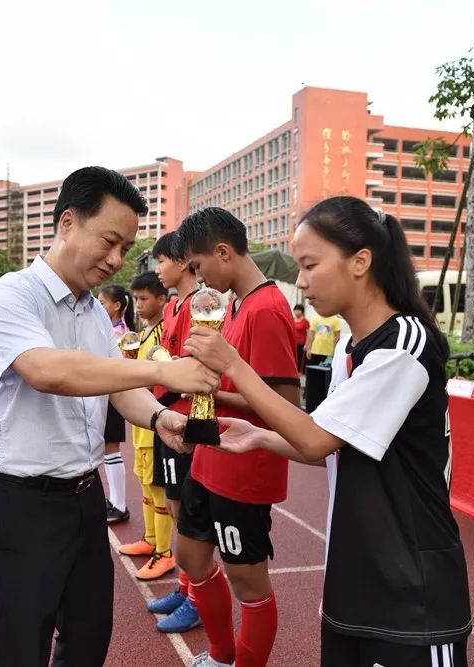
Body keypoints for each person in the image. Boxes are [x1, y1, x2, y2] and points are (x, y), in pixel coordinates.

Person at [185, 197, 472, 667]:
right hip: (354, 571)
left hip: (412, 585)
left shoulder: (404, 344)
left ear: (361, 261)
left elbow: (317, 438)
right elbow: (332, 440)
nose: (301, 281)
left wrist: (234, 365)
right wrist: (259, 437)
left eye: (310, 265)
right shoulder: (348, 345)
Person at [0, 166, 219, 667]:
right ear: (67, 223)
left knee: (88, 637)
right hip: (20, 503)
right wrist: (165, 373)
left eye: (126, 249)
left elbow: (120, 387)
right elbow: (47, 371)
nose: (116, 260)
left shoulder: (92, 311)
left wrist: (160, 419)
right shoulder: (12, 295)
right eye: (109, 241)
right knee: (22, 644)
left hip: (83, 499)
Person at [174, 207, 301, 667]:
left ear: (223, 252)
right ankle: (222, 655)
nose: (199, 276)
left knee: (248, 581)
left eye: (199, 264)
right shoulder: (238, 304)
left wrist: (219, 385)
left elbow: (284, 402)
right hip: (213, 456)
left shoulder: (267, 309)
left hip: (243, 466)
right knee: (188, 553)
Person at [147, 230, 204, 633]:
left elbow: (193, 366)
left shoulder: (200, 305)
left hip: (185, 417)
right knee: (173, 503)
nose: (158, 270)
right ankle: (185, 587)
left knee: (189, 514)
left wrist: (163, 362)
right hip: (164, 413)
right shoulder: (171, 307)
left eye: (162, 261)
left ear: (183, 261)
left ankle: (198, 597)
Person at [117, 270, 175, 581]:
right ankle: (150, 538)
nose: (137, 305)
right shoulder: (144, 331)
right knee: (143, 481)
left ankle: (164, 553)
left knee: (157, 486)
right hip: (139, 421)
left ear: (161, 299)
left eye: (143, 299)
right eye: (135, 299)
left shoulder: (163, 333)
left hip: (154, 418)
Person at [98, 284, 134, 523]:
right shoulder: (111, 328)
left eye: (102, 304)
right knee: (107, 448)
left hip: (112, 393)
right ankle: (115, 501)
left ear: (116, 306)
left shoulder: (119, 332)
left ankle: (119, 505)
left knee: (111, 448)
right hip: (106, 393)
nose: (99, 308)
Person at [292, 304, 310, 373]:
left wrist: (307, 344)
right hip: (293, 343)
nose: (297, 311)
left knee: (300, 359)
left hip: (301, 343)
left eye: (299, 310)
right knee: (293, 358)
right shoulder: (292, 319)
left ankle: (299, 372)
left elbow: (309, 334)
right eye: (296, 310)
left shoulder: (305, 321)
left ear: (302, 311)